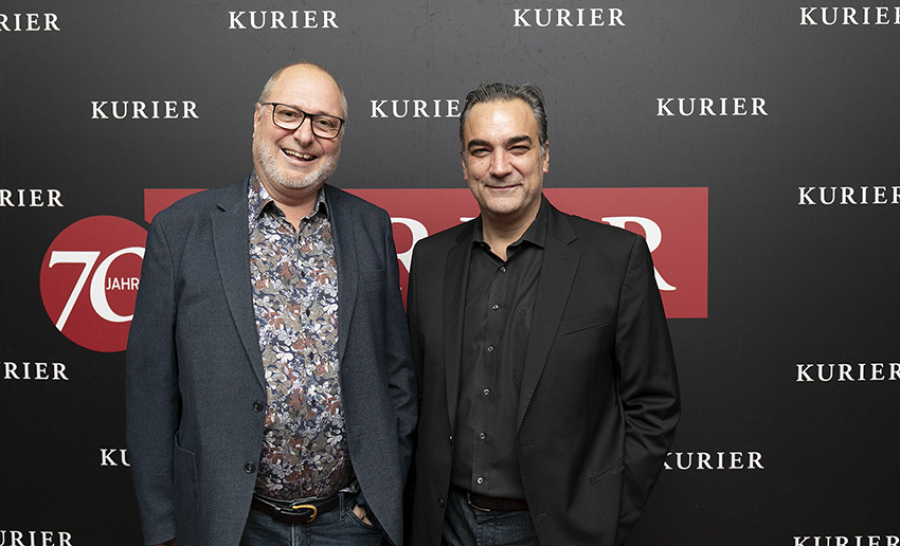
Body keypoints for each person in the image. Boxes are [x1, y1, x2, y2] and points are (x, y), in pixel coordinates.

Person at [125, 62, 417, 546]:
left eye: (325, 122)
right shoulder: (180, 231)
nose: (304, 135)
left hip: (348, 524)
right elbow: (150, 393)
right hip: (231, 523)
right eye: (288, 114)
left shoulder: (370, 227)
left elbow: (397, 376)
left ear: (339, 136)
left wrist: (378, 498)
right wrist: (163, 528)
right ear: (258, 118)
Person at [407, 82, 680, 545]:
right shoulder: (431, 260)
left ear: (545, 156)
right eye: (481, 150)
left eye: (518, 147)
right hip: (446, 525)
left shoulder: (615, 259)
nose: (499, 167)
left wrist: (605, 514)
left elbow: (653, 404)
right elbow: (414, 397)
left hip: (557, 530)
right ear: (464, 164)